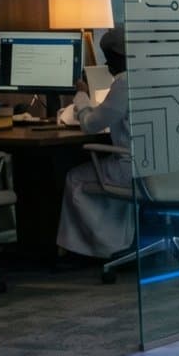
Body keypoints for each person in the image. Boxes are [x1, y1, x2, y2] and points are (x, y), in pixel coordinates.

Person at [56, 27, 134, 258]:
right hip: (168, 169)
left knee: (75, 178)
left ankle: (94, 249)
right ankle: (120, 242)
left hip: (132, 170)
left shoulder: (124, 84)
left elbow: (90, 124)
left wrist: (81, 96)